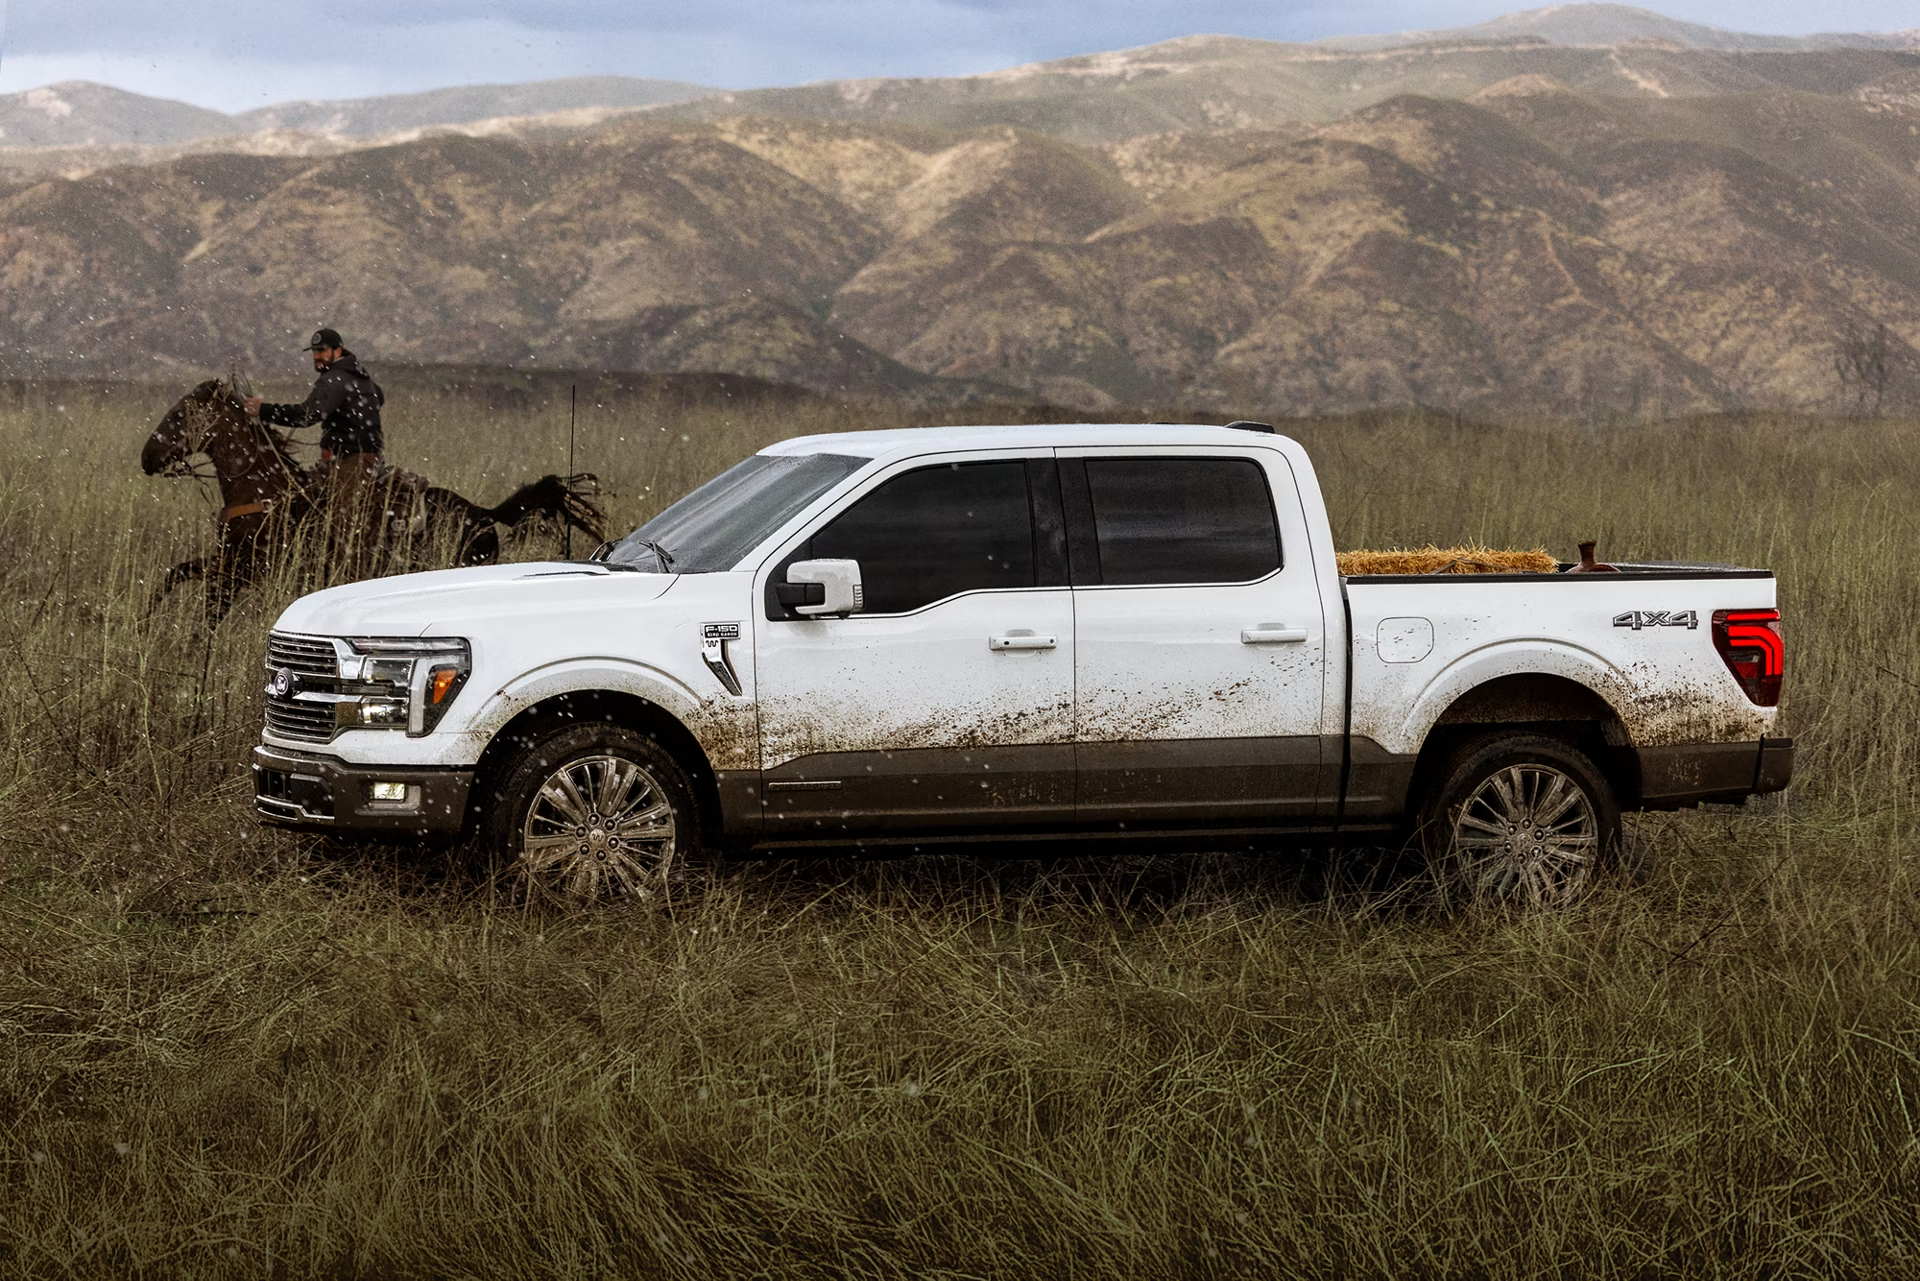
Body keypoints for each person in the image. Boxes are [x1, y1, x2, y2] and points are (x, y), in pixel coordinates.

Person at [244, 328, 386, 572]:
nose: (317, 357)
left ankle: (346, 582)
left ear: (337, 350)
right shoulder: (360, 375)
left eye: (321, 351)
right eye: (314, 352)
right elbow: (379, 397)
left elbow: (306, 415)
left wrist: (263, 410)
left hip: (352, 463)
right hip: (355, 460)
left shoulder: (336, 378)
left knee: (342, 527)